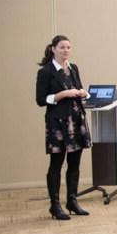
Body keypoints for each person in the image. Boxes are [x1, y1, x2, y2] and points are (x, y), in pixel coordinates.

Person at [35, 35, 92, 220]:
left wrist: (84, 93)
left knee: (74, 164)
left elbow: (80, 88)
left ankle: (72, 201)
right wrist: (62, 94)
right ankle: (55, 205)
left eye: (68, 47)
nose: (66, 50)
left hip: (76, 121)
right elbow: (41, 100)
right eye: (62, 47)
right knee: (56, 165)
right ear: (53, 49)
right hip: (58, 124)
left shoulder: (73, 68)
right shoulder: (46, 72)